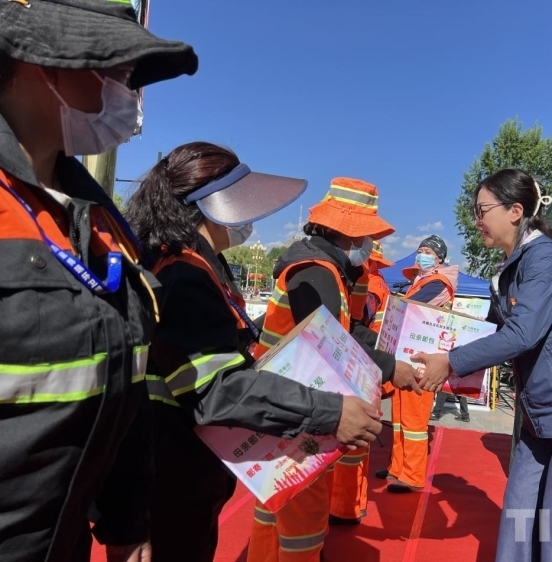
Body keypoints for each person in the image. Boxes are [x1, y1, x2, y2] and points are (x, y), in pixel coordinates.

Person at [0, 2, 197, 561]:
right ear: (42, 64)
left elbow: (122, 386)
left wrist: (127, 520)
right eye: (116, 70)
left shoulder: (103, 223)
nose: (129, 95)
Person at [124, 143, 383, 561]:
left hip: (172, 462)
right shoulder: (184, 273)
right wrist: (330, 411)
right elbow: (218, 389)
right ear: (212, 204)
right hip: (171, 470)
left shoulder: (188, 262)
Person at [413, 168, 552, 561]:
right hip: (541, 409)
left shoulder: (544, 257)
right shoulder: (509, 266)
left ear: (515, 211)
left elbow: (521, 334)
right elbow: (493, 331)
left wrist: (451, 361)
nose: (476, 220)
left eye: (482, 210)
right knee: (520, 517)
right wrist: (434, 338)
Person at [246, 177, 422, 561]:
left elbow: (348, 328)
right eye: (366, 235)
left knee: (275, 509)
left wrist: (393, 355)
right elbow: (331, 340)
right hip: (297, 409)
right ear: (349, 232)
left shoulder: (325, 268)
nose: (369, 244)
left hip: (286, 402)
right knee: (303, 518)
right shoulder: (317, 272)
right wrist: (391, 367)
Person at [378, 235, 459, 493]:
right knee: (399, 418)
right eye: (420, 250)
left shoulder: (440, 282)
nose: (421, 255)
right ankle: (397, 467)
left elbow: (411, 307)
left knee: (413, 421)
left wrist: (393, 302)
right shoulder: (420, 281)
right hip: (408, 355)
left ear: (439, 258)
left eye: (427, 252)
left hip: (424, 361)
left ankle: (412, 476)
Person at [329, 240, 394, 526]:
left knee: (350, 443)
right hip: (369, 364)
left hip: (360, 364)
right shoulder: (373, 281)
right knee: (359, 443)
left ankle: (345, 507)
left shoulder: (370, 284)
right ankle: (352, 504)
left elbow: (357, 322)